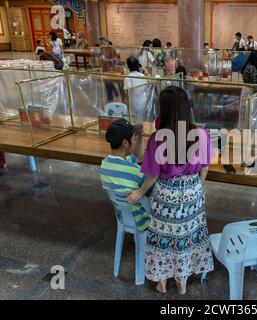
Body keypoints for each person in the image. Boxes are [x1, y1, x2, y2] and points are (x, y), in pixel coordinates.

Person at [127, 86, 214, 295]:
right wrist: (197, 187)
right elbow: (205, 167)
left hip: (167, 195)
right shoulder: (200, 134)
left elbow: (153, 176)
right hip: (192, 191)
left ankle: (163, 283)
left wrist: (139, 193)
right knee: (187, 239)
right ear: (186, 108)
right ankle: (182, 282)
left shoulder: (158, 138)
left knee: (163, 240)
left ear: (163, 109)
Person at [100, 120, 150, 233]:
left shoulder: (104, 164)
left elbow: (138, 158)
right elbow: (151, 187)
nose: (136, 140)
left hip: (123, 215)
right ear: (125, 143)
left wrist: (140, 139)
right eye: (134, 139)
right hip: (142, 219)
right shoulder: (134, 171)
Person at [124, 56, 150, 122]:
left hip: (134, 102)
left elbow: (127, 93)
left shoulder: (128, 77)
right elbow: (146, 88)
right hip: (144, 101)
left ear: (128, 66)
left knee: (134, 121)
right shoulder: (142, 76)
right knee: (142, 120)